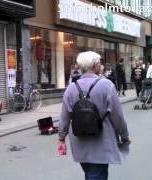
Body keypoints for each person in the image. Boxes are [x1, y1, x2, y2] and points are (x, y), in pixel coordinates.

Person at [57, 51, 130, 180]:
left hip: (79, 142)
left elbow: (64, 117)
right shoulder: (107, 86)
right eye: (100, 63)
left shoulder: (71, 88)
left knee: (89, 173)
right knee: (96, 175)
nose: (101, 66)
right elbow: (117, 117)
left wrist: (61, 138)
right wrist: (124, 136)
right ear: (96, 65)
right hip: (101, 143)